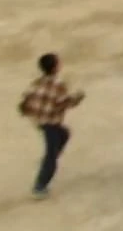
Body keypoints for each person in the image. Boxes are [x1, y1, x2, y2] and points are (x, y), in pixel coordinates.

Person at [18, 52, 85, 199]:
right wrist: (77, 98)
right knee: (51, 154)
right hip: (51, 123)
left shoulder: (37, 82)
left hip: (40, 121)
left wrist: (28, 111)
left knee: (65, 134)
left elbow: (25, 101)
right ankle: (40, 187)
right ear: (55, 67)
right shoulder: (59, 84)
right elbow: (64, 103)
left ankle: (49, 160)